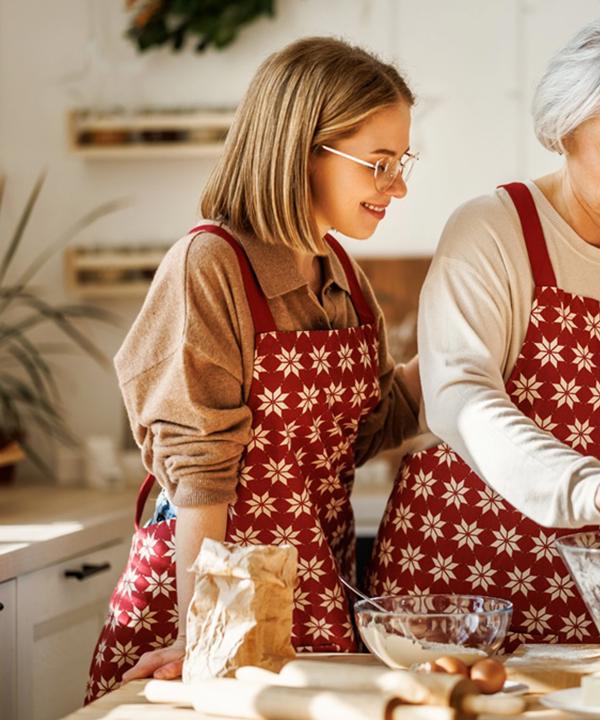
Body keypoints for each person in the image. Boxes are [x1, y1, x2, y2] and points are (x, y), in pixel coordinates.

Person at [366, 14, 600, 646]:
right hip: (462, 587)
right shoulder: (492, 231)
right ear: (563, 133)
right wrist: (591, 486)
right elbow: (460, 398)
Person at [85, 37, 422, 701]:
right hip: (210, 593)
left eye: (401, 161)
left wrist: (457, 349)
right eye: (379, 164)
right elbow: (199, 475)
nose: (399, 185)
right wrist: (197, 633)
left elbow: (366, 430)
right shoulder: (211, 265)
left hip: (307, 588)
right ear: (302, 151)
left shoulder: (342, 274)